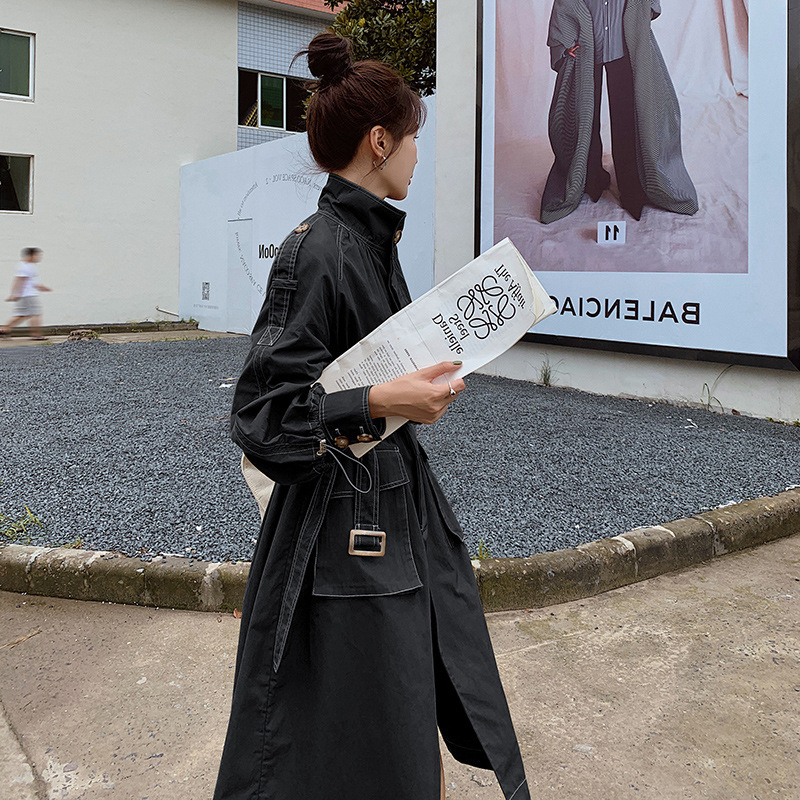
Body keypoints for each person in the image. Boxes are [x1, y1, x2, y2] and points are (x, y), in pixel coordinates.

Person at [212, 32, 530, 800]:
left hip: (386, 511)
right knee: (356, 729)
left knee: (396, 715)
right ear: (380, 141)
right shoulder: (316, 251)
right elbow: (261, 414)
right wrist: (383, 401)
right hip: (340, 533)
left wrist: (412, 394)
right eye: (412, 137)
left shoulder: (369, 240)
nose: (418, 154)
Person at [541, 0, 699, 223]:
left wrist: (639, 22)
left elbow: (649, 7)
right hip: (587, 49)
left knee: (626, 122)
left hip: (623, 50)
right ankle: (590, 179)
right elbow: (565, 4)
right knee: (585, 120)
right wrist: (565, 43)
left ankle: (632, 188)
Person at [1, 247, 52, 339]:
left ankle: (3, 330)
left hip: (25, 295)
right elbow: (19, 280)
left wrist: (41, 287)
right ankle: (36, 335)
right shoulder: (25, 266)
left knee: (20, 315)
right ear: (31, 255)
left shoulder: (29, 266)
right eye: (37, 255)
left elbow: (32, 282)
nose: (38, 257)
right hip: (29, 295)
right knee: (35, 314)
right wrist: (14, 294)